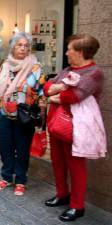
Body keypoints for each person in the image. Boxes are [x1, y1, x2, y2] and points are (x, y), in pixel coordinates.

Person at [44, 34, 104, 222]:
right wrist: (58, 89)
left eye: (70, 49)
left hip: (75, 127)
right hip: (56, 124)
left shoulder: (94, 73)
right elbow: (46, 87)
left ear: (80, 52)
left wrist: (55, 94)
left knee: (76, 166)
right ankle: (62, 194)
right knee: (57, 162)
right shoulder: (68, 69)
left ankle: (77, 206)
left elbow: (73, 97)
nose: (67, 52)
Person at [0, 32, 46, 196]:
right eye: (19, 45)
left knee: (22, 149)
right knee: (5, 148)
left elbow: (41, 92)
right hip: (5, 113)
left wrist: (41, 115)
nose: (23, 48)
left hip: (25, 115)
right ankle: (7, 176)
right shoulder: (5, 65)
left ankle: (21, 180)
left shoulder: (36, 68)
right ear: (13, 47)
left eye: (26, 46)